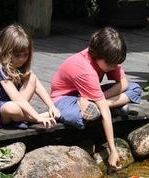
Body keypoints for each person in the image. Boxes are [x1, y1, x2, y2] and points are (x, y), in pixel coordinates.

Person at [51, 27, 142, 170]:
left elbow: (124, 83)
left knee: (135, 88)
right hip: (65, 98)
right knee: (82, 116)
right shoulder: (85, 69)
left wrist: (100, 100)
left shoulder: (110, 57)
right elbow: (105, 111)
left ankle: (93, 103)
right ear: (98, 55)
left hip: (92, 94)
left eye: (116, 64)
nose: (114, 67)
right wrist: (113, 151)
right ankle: (99, 105)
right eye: (111, 64)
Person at [0, 24, 60, 129]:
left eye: (26, 55)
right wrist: (37, 117)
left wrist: (52, 106)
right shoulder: (0, 69)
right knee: (12, 108)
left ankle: (23, 118)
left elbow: (37, 86)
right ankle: (31, 118)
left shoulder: (22, 67)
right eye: (17, 55)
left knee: (31, 77)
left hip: (18, 106)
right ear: (6, 52)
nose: (22, 59)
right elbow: (17, 99)